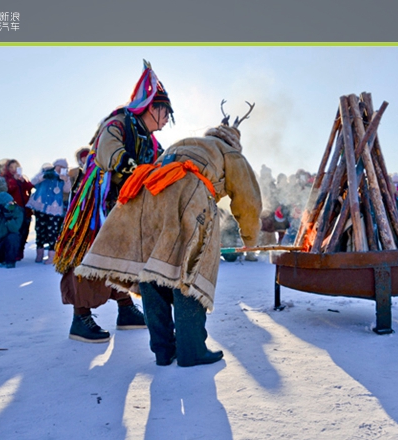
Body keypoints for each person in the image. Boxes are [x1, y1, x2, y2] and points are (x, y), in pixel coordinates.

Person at [75, 104, 262, 367]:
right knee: (187, 273)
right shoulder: (230, 152)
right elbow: (248, 199)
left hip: (149, 198)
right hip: (187, 198)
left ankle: (163, 350)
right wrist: (250, 237)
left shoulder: (183, 143)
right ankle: (192, 350)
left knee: (154, 272)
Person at [54, 61, 174, 343]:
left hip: (126, 205)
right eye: (165, 111)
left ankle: (126, 308)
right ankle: (79, 317)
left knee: (122, 256)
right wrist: (131, 165)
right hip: (97, 202)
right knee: (89, 254)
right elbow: (109, 152)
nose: (167, 118)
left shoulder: (153, 142)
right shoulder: (118, 123)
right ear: (150, 107)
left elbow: (164, 164)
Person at [28, 163, 69, 264]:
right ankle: (39, 254)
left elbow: (67, 190)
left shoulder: (63, 177)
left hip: (54, 208)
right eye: (59, 166)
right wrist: (43, 176)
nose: (60, 168)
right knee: (39, 230)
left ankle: (51, 256)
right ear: (55, 166)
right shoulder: (45, 172)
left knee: (52, 232)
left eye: (63, 167)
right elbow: (33, 182)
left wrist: (66, 180)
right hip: (40, 206)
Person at [2, 159, 34, 260]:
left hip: (26, 209)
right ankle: (13, 251)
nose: (13, 170)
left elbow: (30, 187)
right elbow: (7, 190)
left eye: (15, 167)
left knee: (25, 231)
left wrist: (23, 181)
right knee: (16, 231)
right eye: (11, 167)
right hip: (14, 209)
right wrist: (14, 181)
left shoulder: (23, 178)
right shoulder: (5, 179)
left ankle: (20, 250)